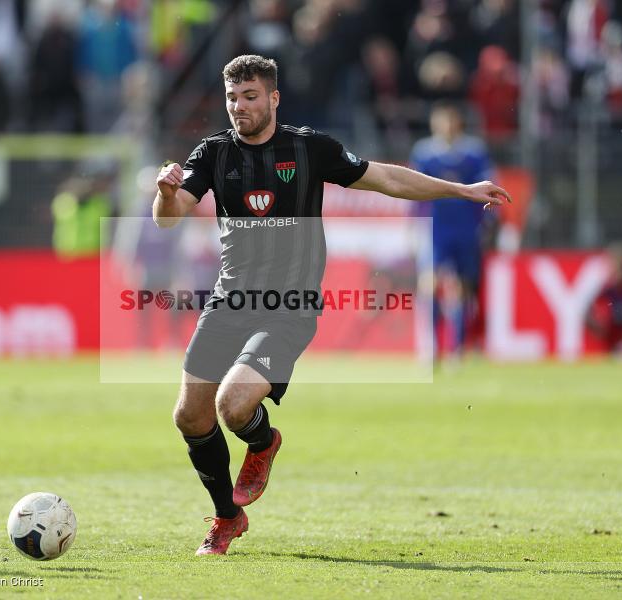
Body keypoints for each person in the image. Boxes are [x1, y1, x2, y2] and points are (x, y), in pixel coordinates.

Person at [153, 55, 510, 556]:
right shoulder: (213, 153)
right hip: (230, 299)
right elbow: (168, 217)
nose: (239, 107)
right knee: (189, 416)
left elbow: (386, 179)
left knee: (232, 406)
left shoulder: (308, 148)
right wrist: (166, 193)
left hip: (290, 305)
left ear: (274, 98)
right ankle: (227, 517)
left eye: (250, 97)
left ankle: (262, 442)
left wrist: (459, 190)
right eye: (232, 98)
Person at [409, 102, 496, 359]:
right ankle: (431, 347)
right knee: (430, 283)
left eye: (451, 120)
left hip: (466, 228)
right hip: (436, 228)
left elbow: (489, 187)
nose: (447, 126)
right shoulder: (424, 153)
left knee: (461, 288)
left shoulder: (474, 152)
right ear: (434, 124)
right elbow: (412, 189)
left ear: (458, 123)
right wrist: (414, 225)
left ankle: (456, 349)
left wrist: (488, 221)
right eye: (442, 121)